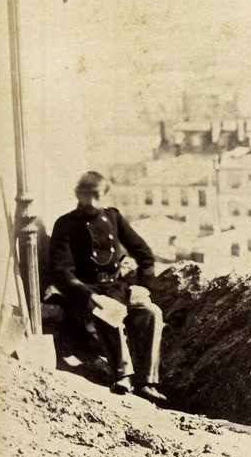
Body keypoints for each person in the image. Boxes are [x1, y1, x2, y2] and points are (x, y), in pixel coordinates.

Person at [49, 171, 167, 403]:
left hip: (116, 288)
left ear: (104, 196)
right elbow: (61, 271)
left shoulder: (113, 218)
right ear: (77, 195)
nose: (91, 202)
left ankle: (146, 382)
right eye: (85, 196)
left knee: (151, 312)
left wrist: (143, 286)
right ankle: (122, 377)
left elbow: (145, 255)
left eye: (96, 196)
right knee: (108, 312)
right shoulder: (65, 224)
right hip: (84, 294)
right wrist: (88, 295)